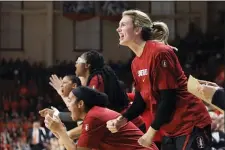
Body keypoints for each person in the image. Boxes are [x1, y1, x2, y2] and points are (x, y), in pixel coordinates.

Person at [106, 9, 212, 150]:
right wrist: (121, 120)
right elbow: (139, 102)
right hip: (170, 129)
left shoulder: (160, 53)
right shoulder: (135, 63)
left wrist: (150, 133)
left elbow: (168, 99)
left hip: (191, 123)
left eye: (123, 24)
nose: (118, 29)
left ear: (137, 29)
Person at [46, 50, 146, 140]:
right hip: (125, 125)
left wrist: (67, 132)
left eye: (78, 60)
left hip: (129, 125)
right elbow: (83, 113)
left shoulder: (96, 80)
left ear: (87, 65)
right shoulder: (95, 80)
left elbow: (93, 118)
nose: (75, 63)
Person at [43, 86, 159, 150]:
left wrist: (60, 131)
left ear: (80, 104)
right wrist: (57, 130)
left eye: (70, 100)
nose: (68, 106)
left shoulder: (94, 118)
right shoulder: (94, 116)